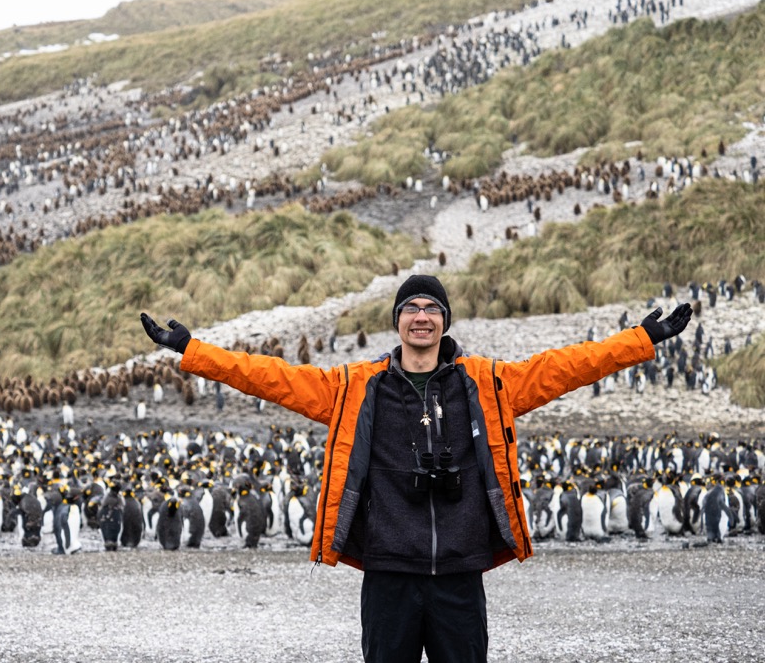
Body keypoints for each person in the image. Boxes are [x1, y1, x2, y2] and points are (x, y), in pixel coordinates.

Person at [140, 274, 692, 663]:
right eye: (411, 308)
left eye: (431, 308)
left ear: (444, 321)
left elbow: (570, 366)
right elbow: (267, 376)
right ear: (397, 322)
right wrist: (193, 350)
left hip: (459, 571)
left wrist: (640, 341)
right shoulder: (354, 387)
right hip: (388, 571)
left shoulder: (489, 383)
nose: (421, 317)